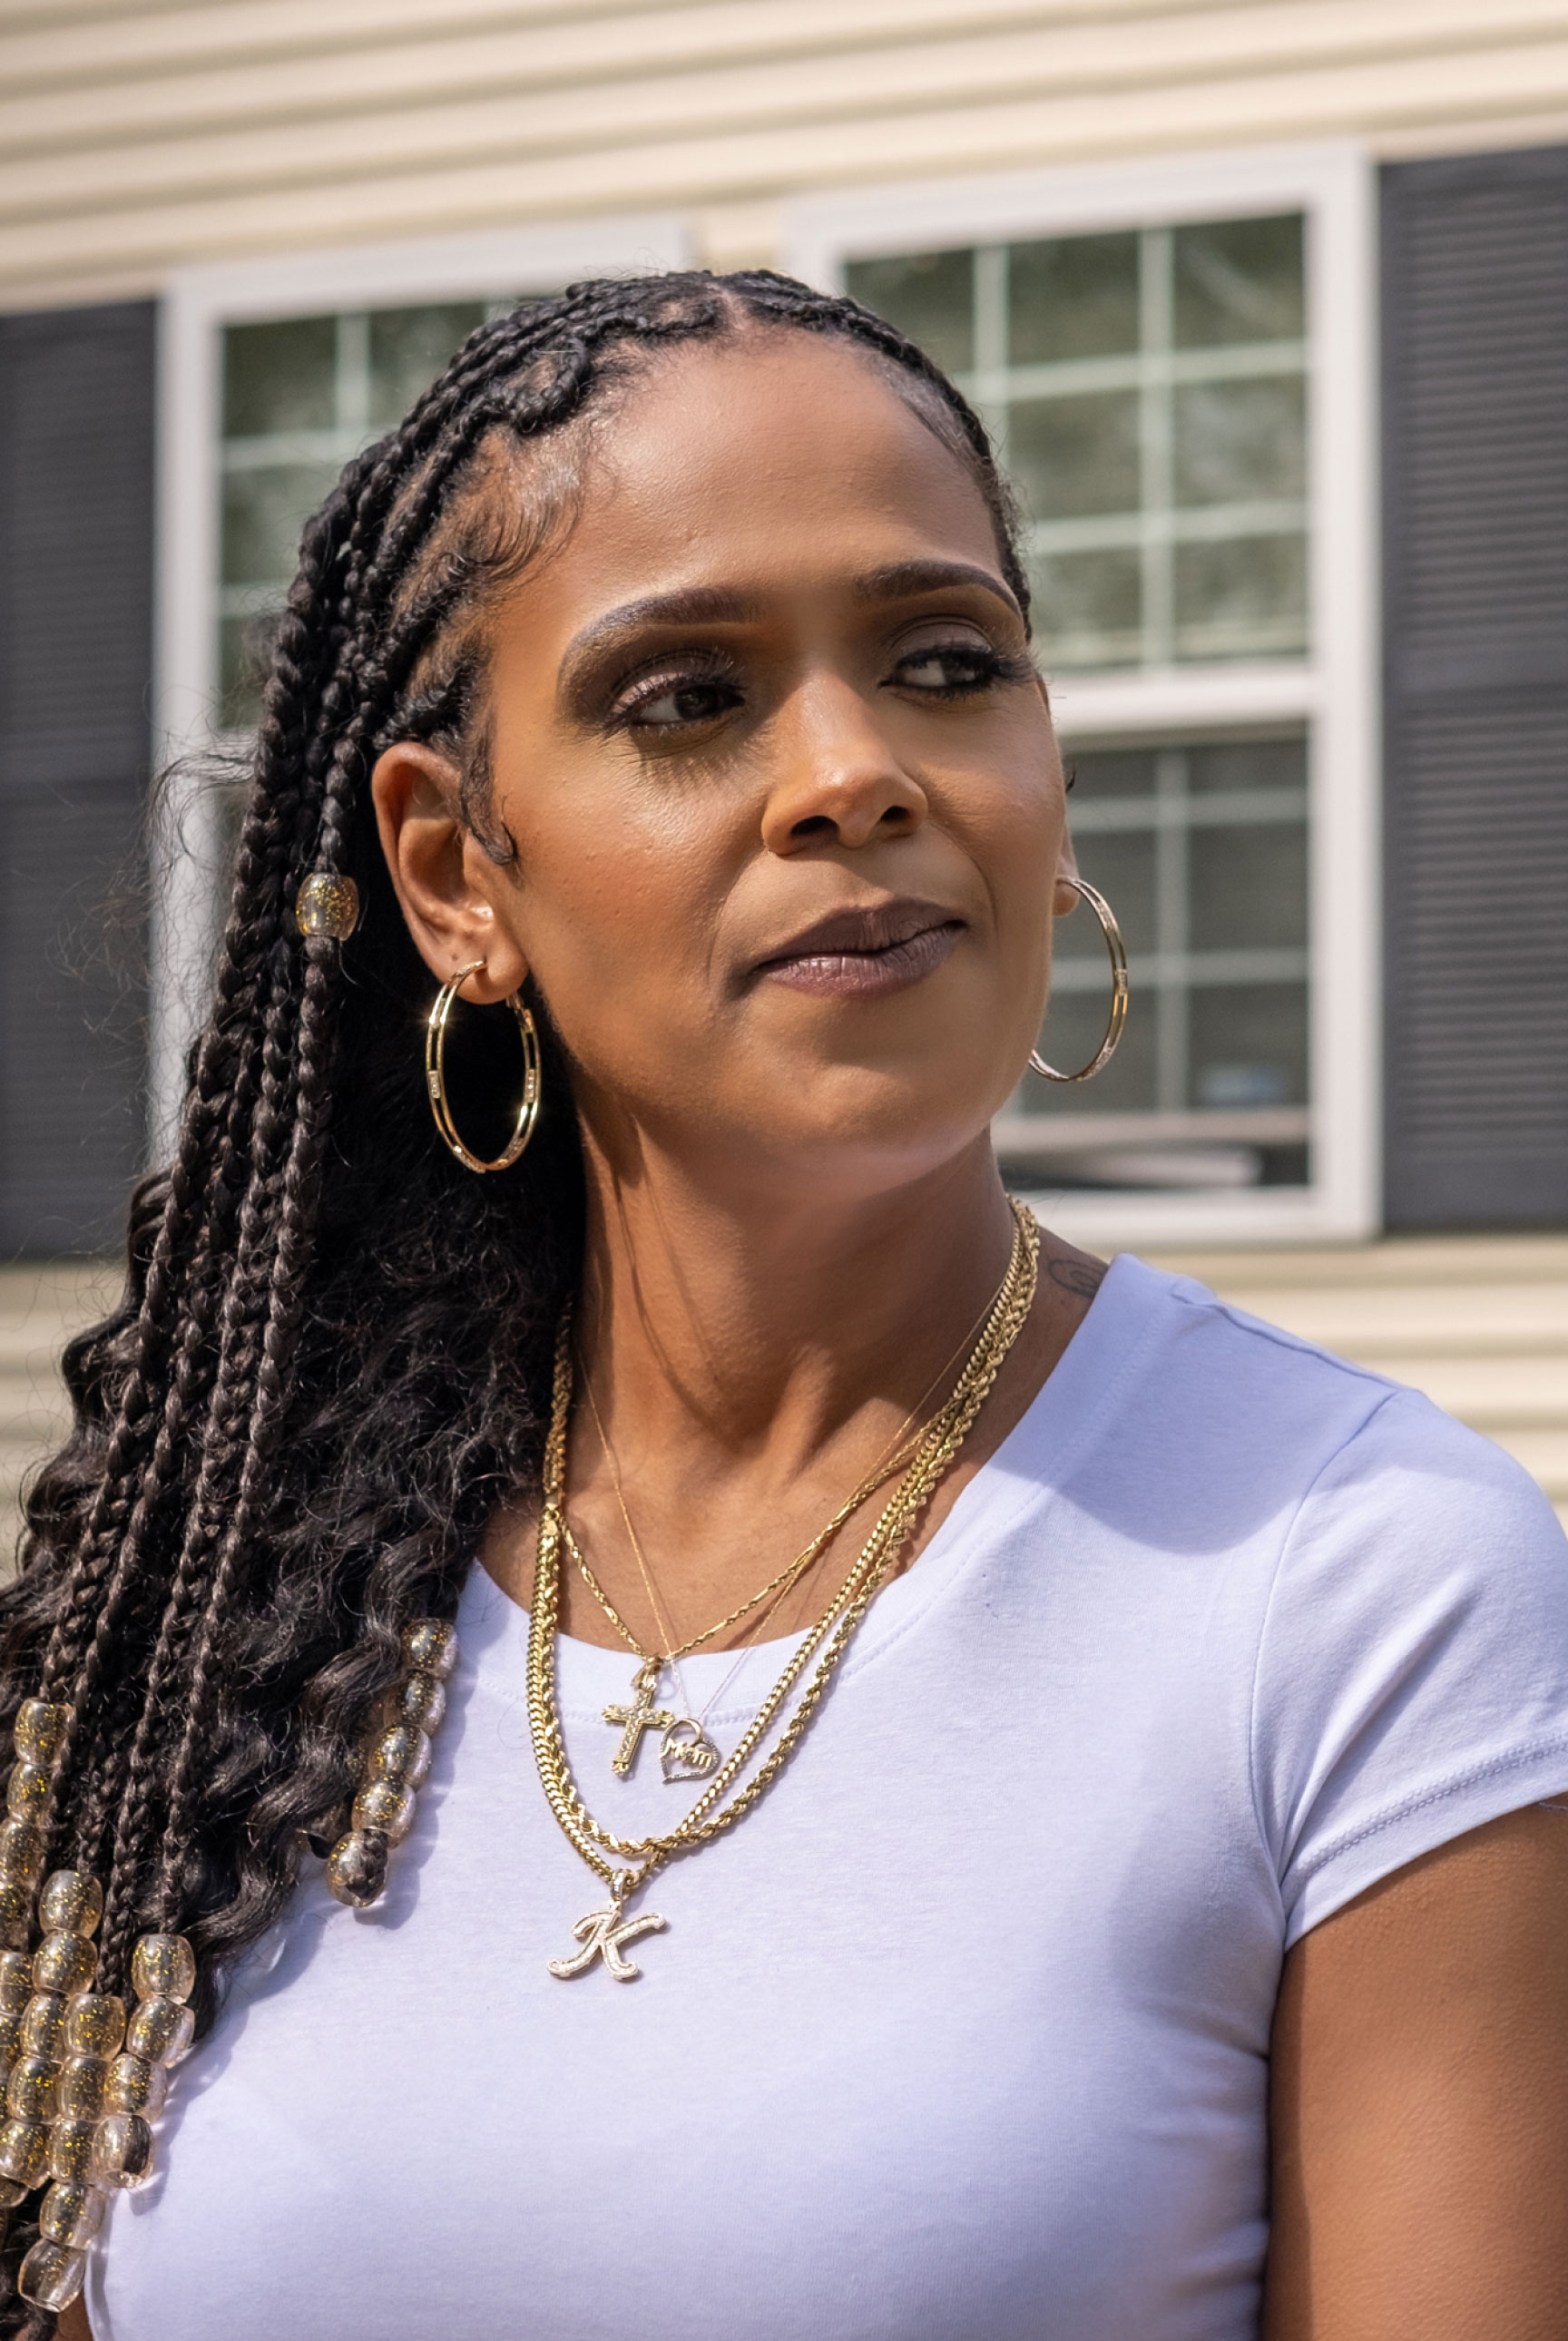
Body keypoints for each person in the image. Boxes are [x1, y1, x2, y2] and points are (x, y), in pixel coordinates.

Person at [4, 270, 1566, 2341]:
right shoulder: (240, 1597)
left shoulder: (1364, 1589)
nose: (854, 771)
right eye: (688, 698)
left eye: (945, 663)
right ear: (460, 874)